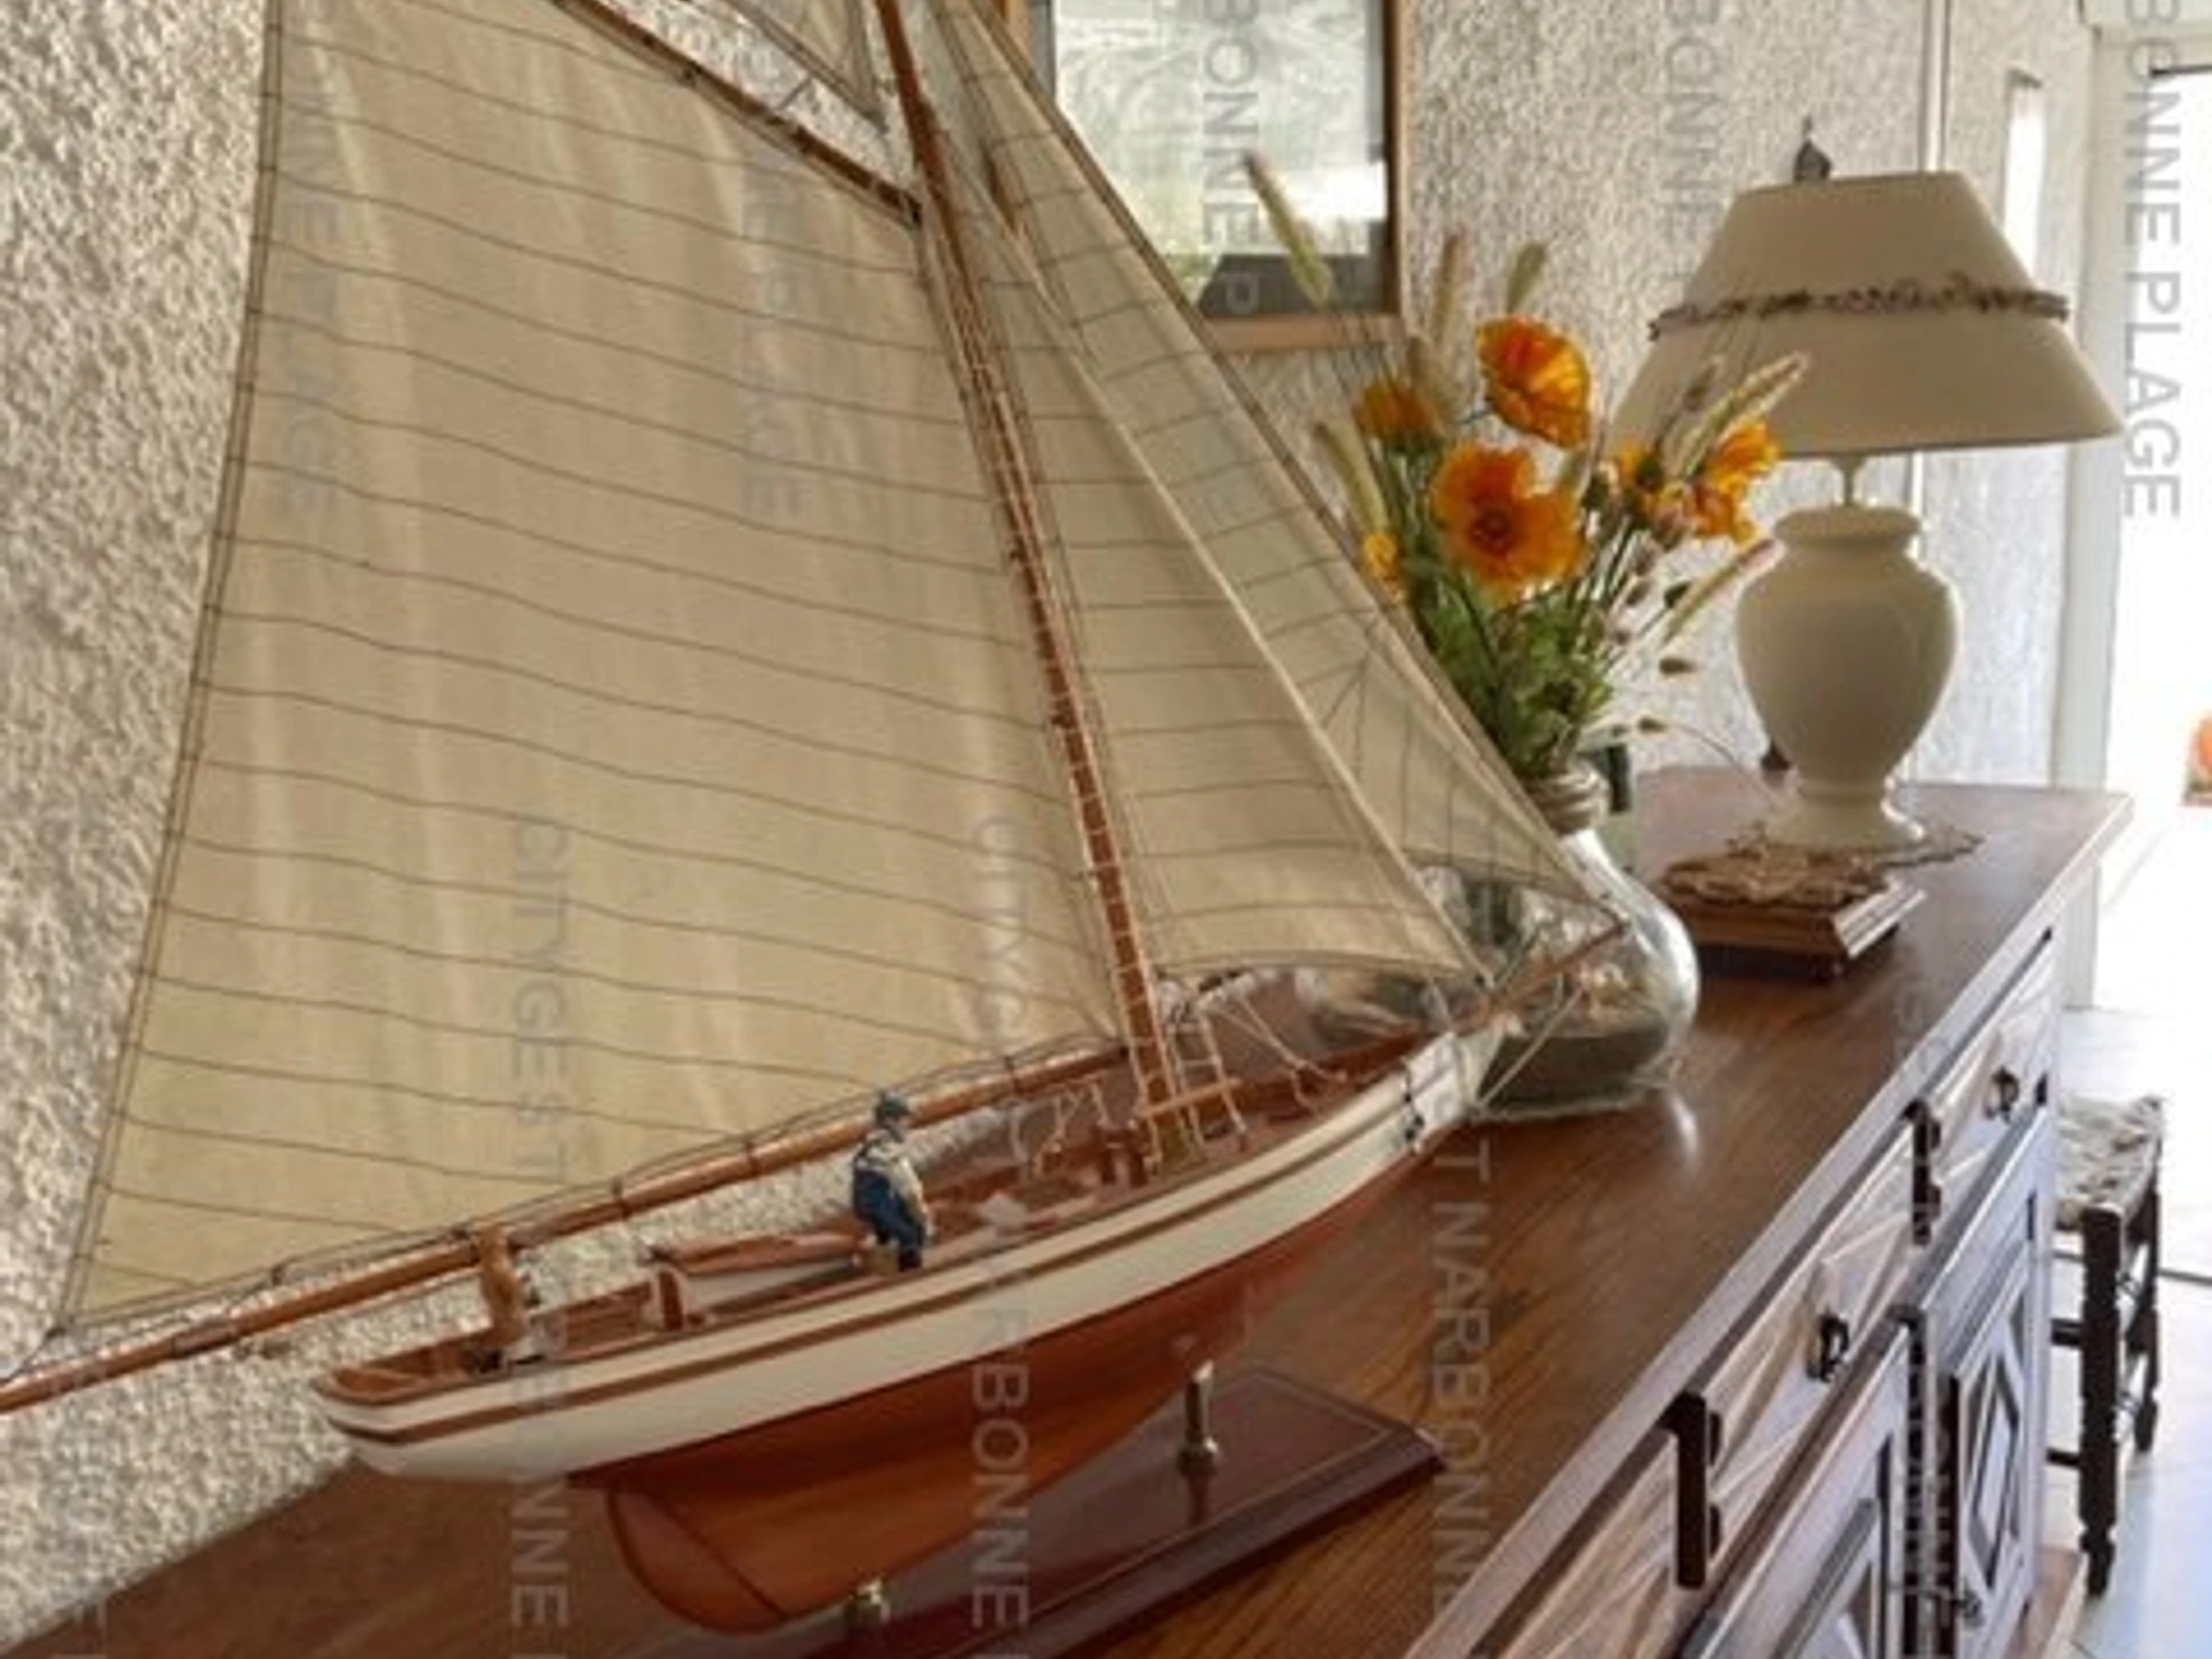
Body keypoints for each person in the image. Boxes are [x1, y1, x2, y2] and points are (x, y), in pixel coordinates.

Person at [851, 1091, 931, 1270]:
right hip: (877, 1204)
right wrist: (922, 1214)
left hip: (874, 1202)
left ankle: (884, 1246)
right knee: (911, 1233)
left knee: (898, 1225)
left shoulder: (872, 1143)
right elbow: (908, 1186)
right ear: (890, 1122)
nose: (909, 1125)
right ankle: (910, 1270)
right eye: (905, 1120)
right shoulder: (886, 1149)